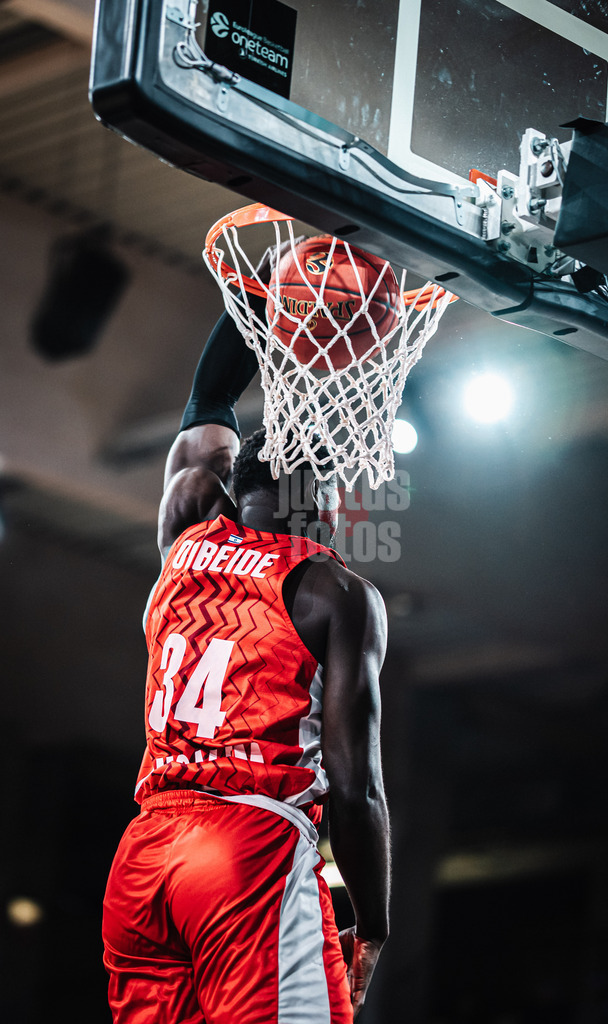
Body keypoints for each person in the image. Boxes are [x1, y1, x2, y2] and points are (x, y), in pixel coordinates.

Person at [102, 282, 391, 1023]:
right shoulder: (332, 589)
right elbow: (355, 788)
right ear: (324, 505)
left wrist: (263, 289)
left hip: (145, 860)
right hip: (245, 848)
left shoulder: (186, 532)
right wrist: (374, 923)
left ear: (232, 487)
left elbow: (207, 405)